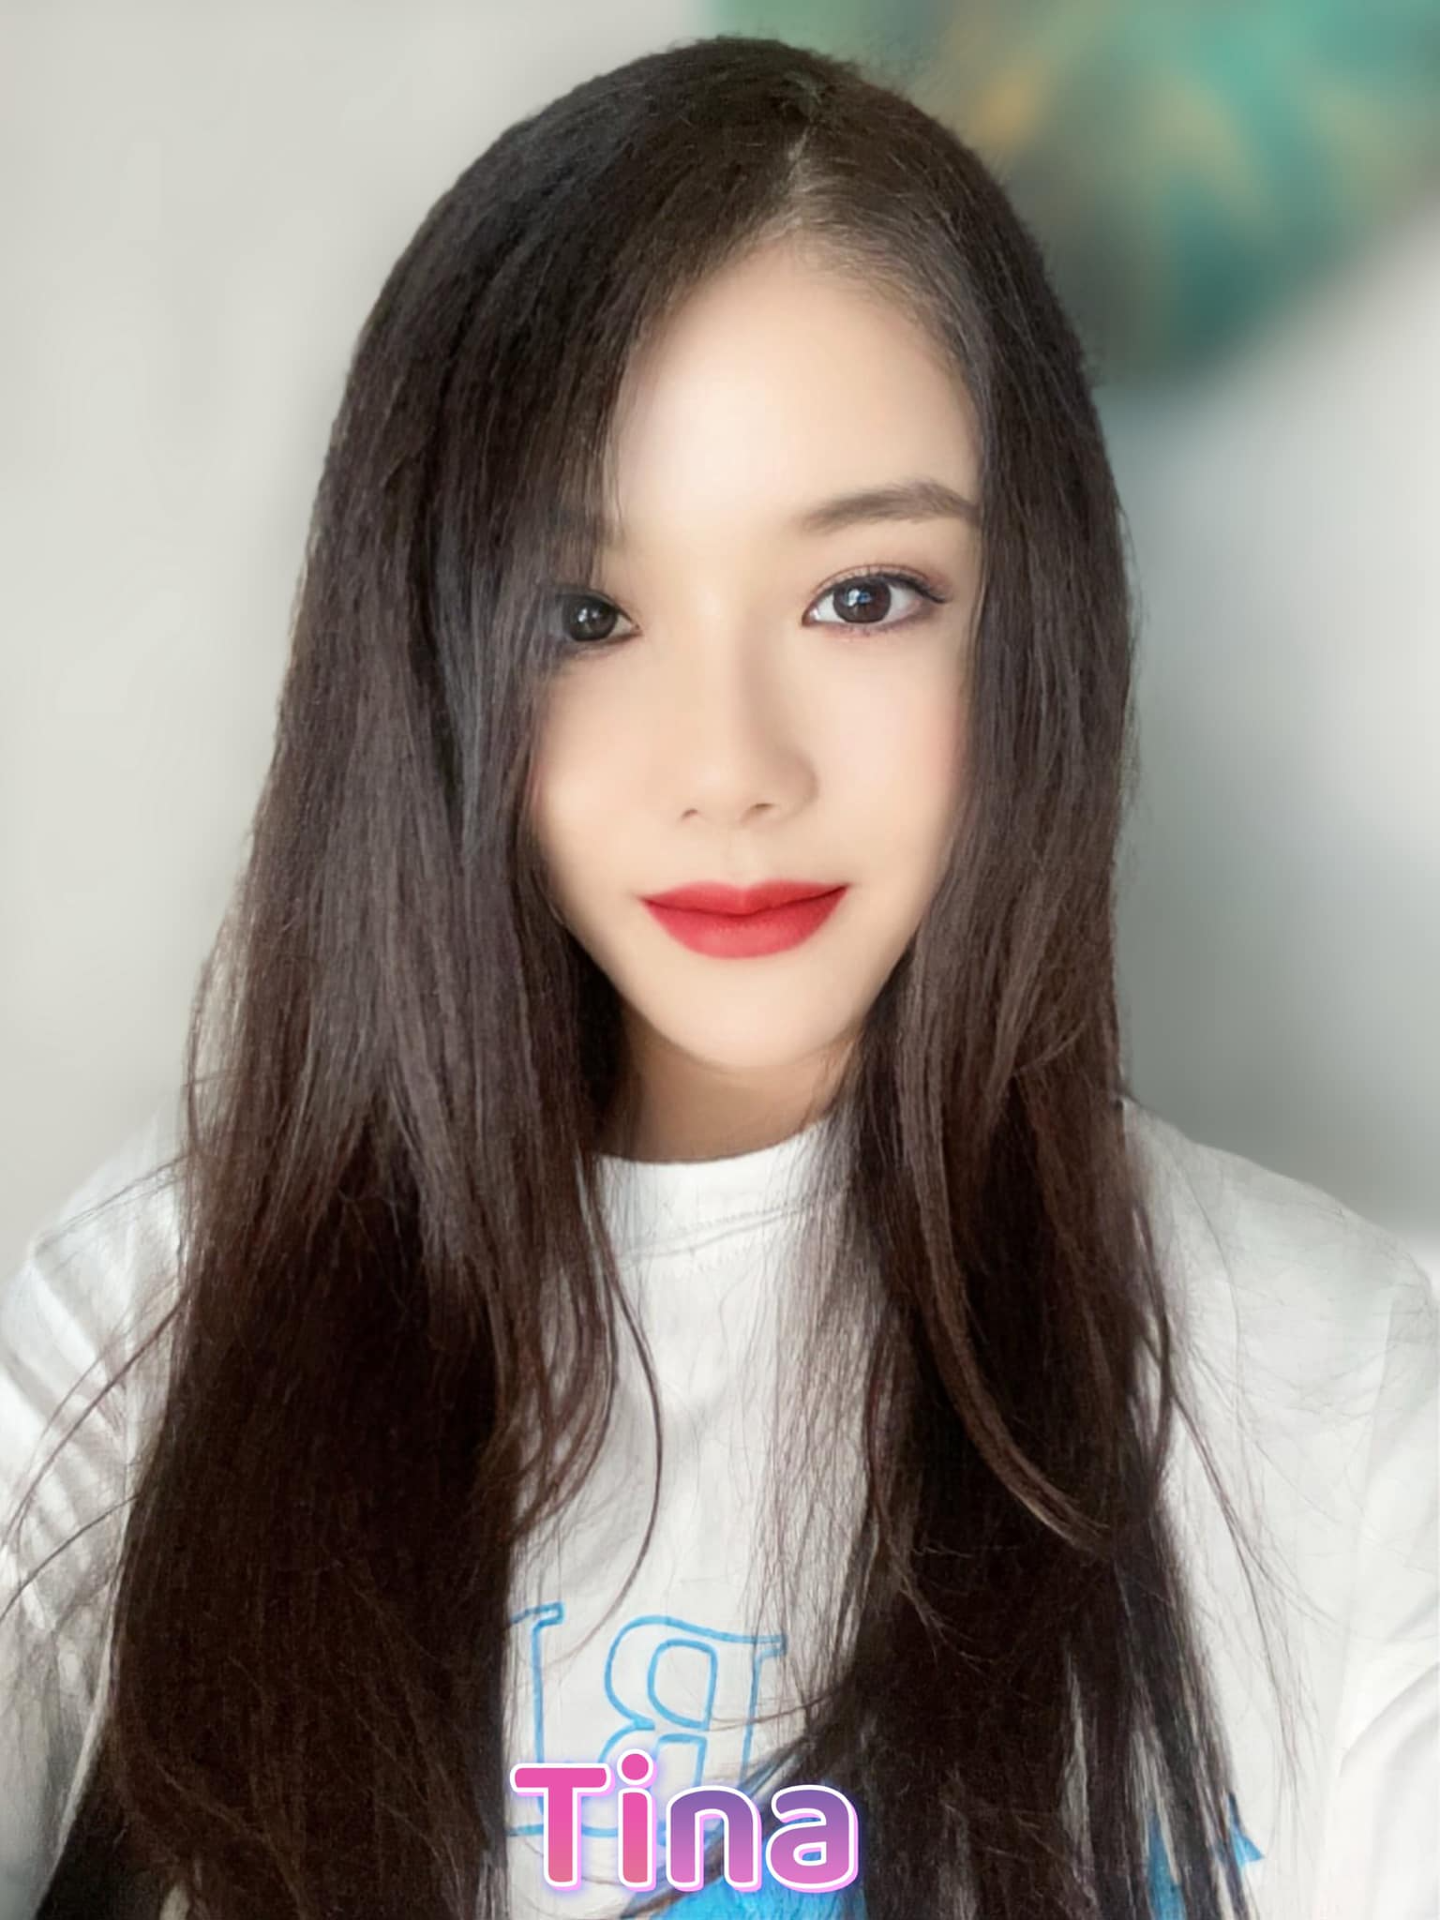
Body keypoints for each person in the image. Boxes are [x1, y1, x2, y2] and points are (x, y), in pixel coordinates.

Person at [1, 33, 1434, 1920]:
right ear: (430, 654)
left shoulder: (1337, 1384)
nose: (732, 766)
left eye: (865, 597)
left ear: (1036, 622)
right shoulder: (164, 1314)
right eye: (587, 615)